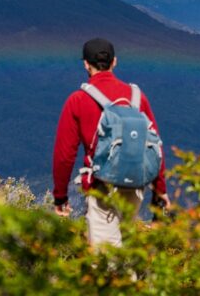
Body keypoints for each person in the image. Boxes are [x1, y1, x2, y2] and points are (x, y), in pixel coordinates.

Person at [52, 38, 171, 247]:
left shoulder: (77, 100)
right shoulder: (136, 97)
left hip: (102, 186)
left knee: (107, 259)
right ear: (114, 62)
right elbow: (154, 146)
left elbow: (64, 155)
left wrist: (60, 197)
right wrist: (159, 193)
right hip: (136, 185)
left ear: (85, 64)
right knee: (125, 247)